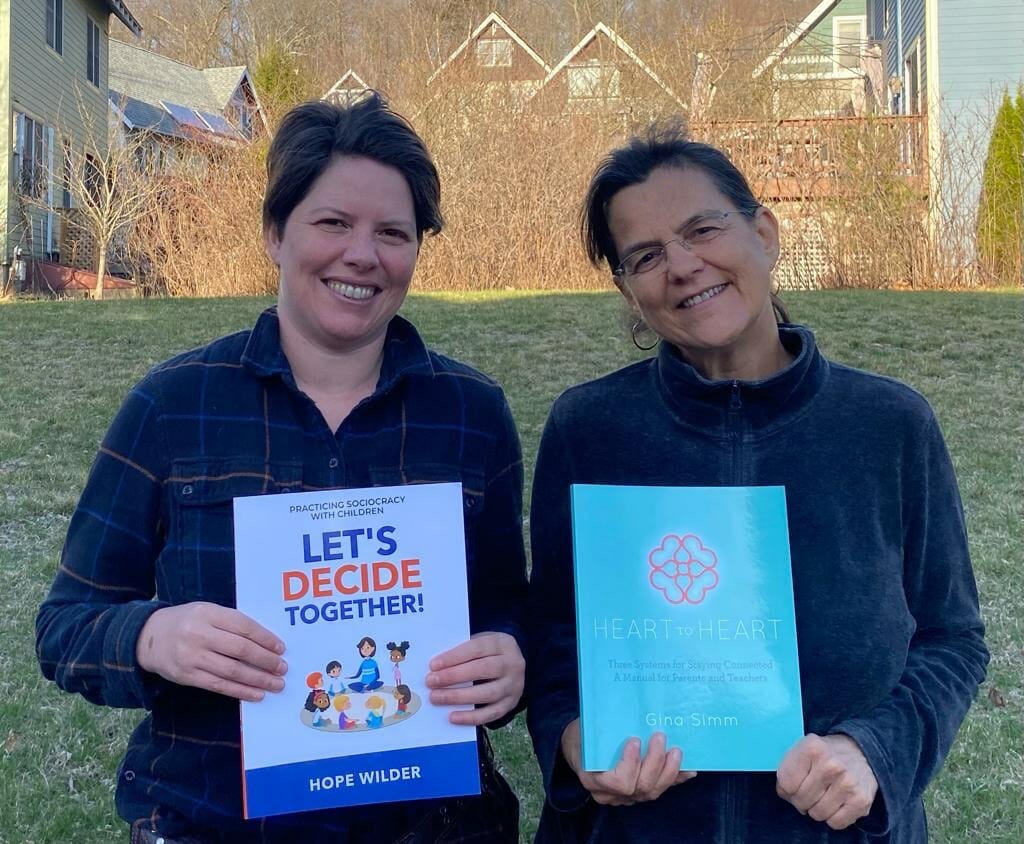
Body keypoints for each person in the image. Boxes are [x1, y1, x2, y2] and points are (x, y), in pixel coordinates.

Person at [36, 94, 526, 843]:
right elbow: (66, 626)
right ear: (275, 233)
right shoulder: (174, 404)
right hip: (213, 822)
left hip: (429, 823)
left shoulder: (471, 413)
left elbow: (505, 607)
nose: (363, 255)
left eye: (393, 233)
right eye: (333, 223)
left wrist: (509, 657)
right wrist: (152, 637)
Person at [526, 124, 988, 843]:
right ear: (627, 289)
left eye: (702, 228)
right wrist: (572, 735)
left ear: (765, 234)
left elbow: (954, 638)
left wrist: (876, 751)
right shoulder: (590, 429)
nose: (680, 265)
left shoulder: (888, 425)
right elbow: (554, 630)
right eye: (645, 255)